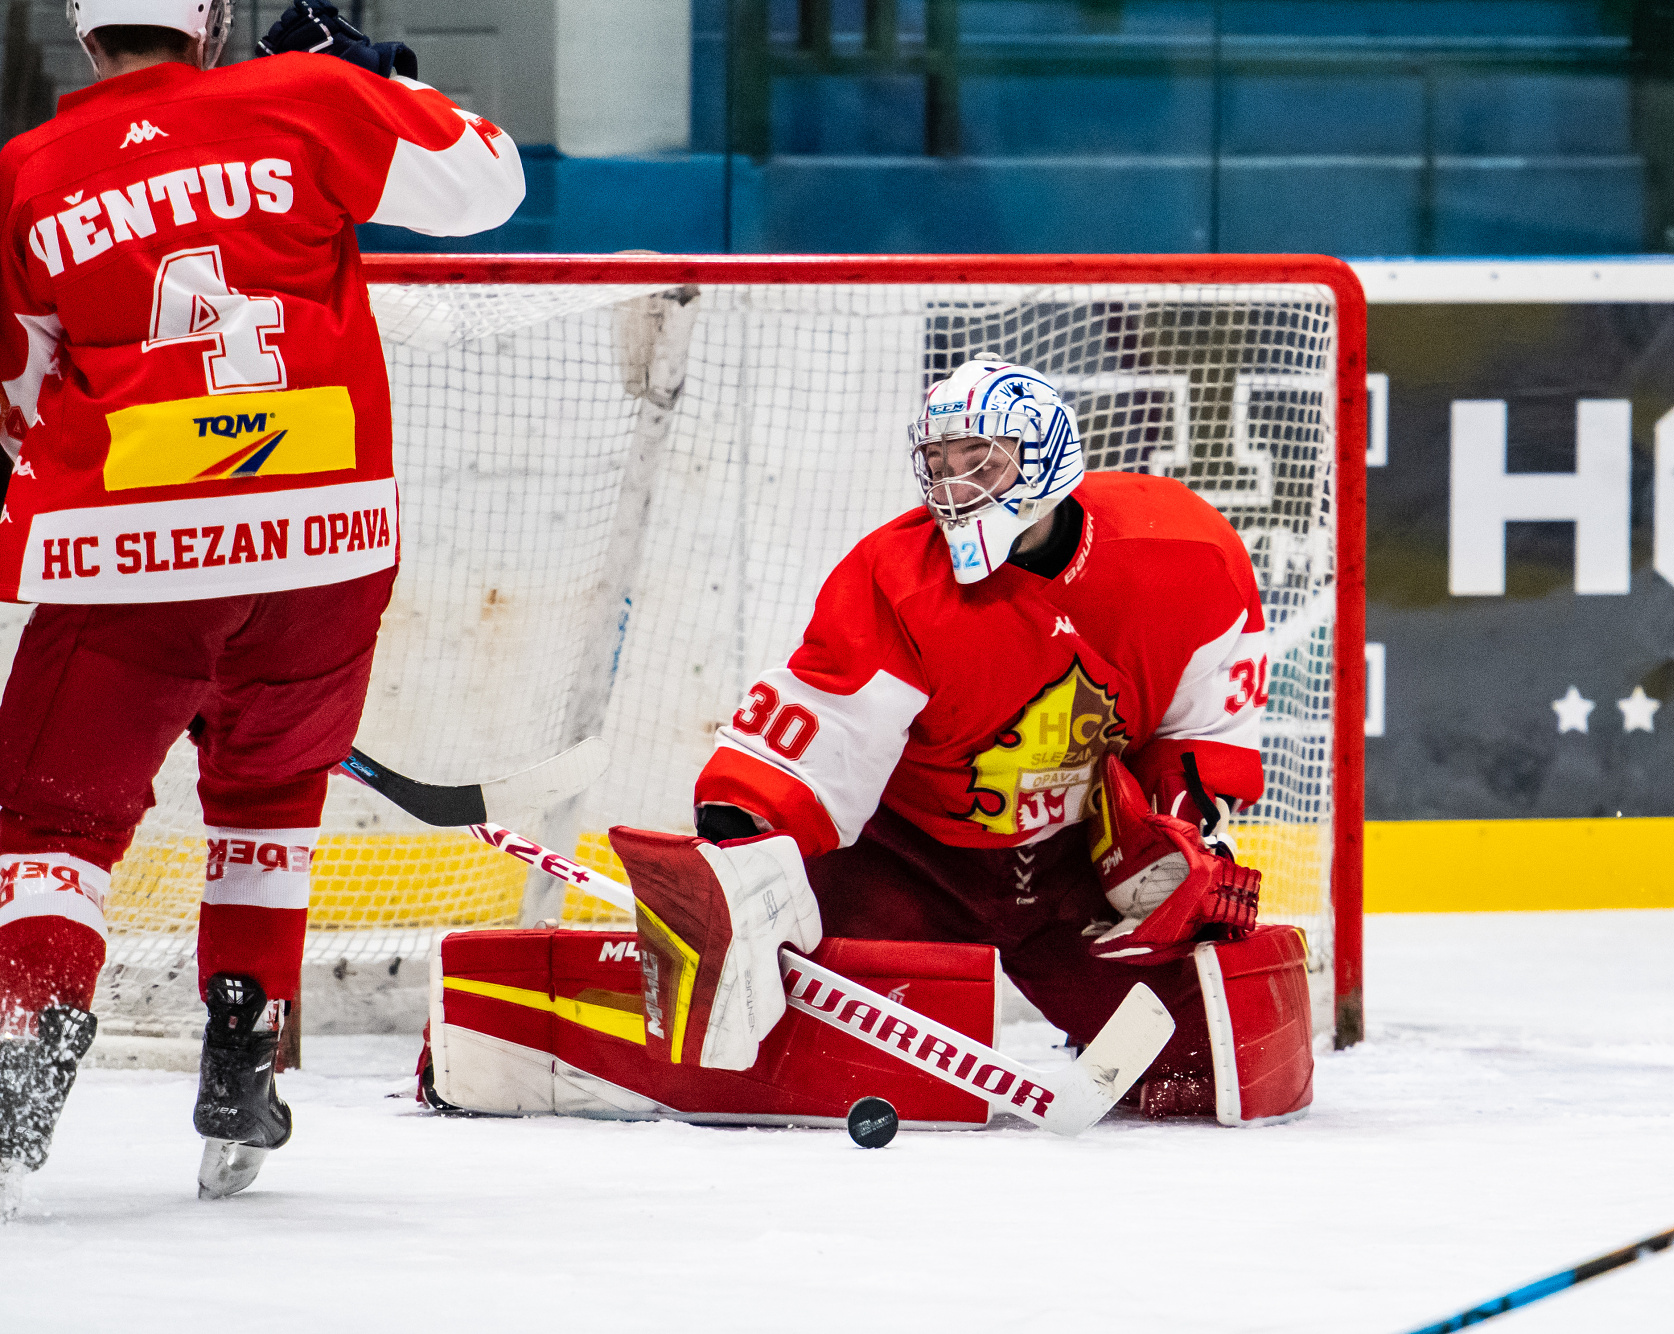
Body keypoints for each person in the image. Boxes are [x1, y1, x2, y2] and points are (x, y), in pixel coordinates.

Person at [0, 0, 522, 1198]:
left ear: (83, 30)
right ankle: (244, 1048)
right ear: (215, 19)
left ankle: (28, 1038)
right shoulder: (308, 98)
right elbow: (488, 179)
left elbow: (21, 385)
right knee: (270, 786)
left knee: (51, 819)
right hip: (325, 538)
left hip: (133, 543)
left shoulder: (26, 169)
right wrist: (357, 77)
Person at [618, 359, 1314, 1123]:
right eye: (939, 462)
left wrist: (1173, 823)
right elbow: (824, 723)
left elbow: (1203, 717)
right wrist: (739, 836)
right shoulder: (898, 576)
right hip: (910, 864)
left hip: (1077, 869)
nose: (954, 483)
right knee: (828, 1074)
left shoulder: (1183, 546)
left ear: (1047, 455)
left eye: (979, 459)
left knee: (1221, 1067)